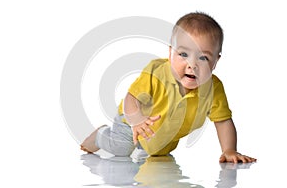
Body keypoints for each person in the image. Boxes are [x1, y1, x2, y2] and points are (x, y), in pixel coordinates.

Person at [81, 12, 257, 163]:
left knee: (157, 159)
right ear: (170, 52)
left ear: (215, 62)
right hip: (133, 119)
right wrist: (137, 120)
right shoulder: (156, 73)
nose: (192, 64)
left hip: (164, 137)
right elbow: (131, 98)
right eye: (183, 54)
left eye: (203, 58)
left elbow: (223, 120)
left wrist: (229, 150)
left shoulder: (213, 89)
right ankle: (99, 135)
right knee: (121, 148)